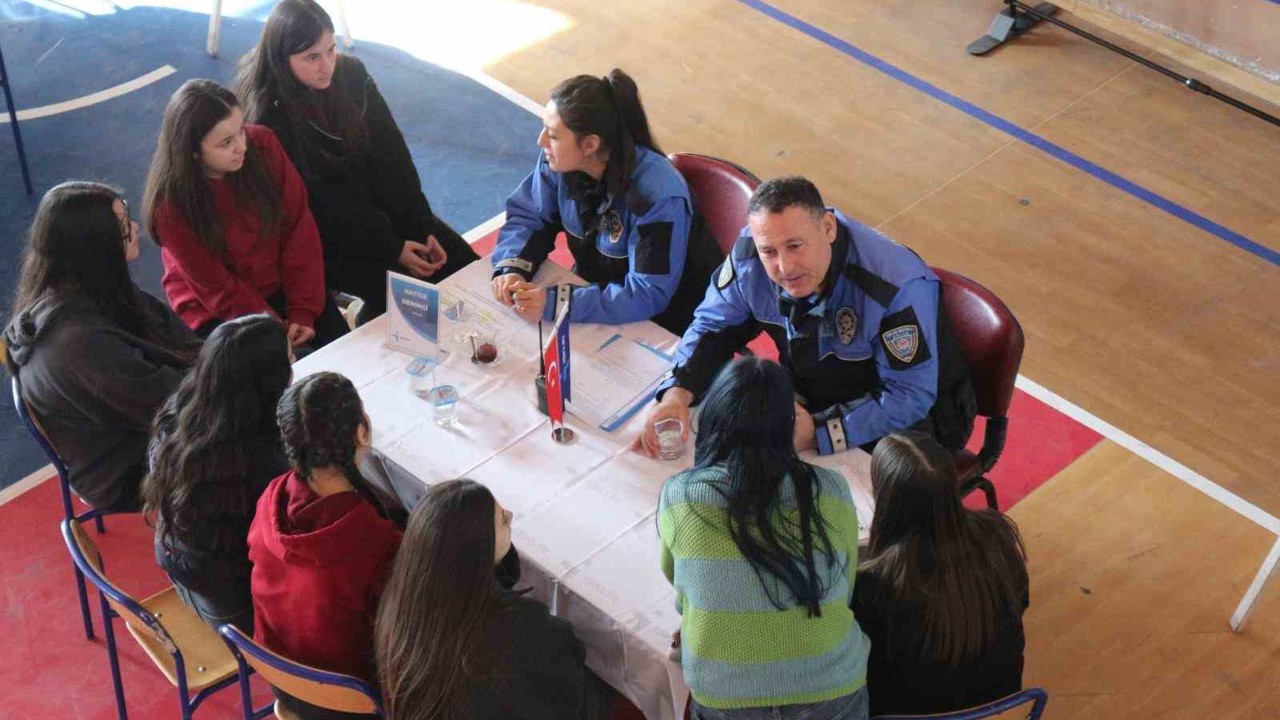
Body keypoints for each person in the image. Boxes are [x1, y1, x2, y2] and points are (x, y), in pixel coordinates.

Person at [637, 175, 974, 458]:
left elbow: (909, 396)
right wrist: (677, 394)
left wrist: (821, 434)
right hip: (814, 392)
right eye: (769, 251)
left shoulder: (893, 285)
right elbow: (713, 327)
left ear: (828, 227)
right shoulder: (749, 259)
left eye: (795, 246)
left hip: (913, 420)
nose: (784, 267)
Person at [235, 0, 478, 323]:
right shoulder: (269, 119)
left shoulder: (351, 74)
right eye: (311, 57)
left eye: (330, 50)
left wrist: (419, 227)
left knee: (467, 269)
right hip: (324, 237)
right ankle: (364, 314)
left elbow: (393, 158)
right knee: (414, 303)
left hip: (378, 212)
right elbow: (321, 205)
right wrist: (393, 248)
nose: (327, 66)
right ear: (282, 59)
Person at [657, 357, 869, 719]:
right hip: (832, 689)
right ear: (787, 426)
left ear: (712, 419)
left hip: (725, 694)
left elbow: (680, 589)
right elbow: (845, 587)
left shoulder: (681, 496)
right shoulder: (831, 490)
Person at [5, 181, 199, 512]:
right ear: (96, 246)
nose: (135, 227)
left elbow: (178, 339)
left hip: (135, 426)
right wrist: (233, 377)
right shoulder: (79, 345)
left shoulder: (85, 289)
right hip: (126, 469)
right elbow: (165, 406)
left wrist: (227, 360)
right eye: (123, 225)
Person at [489, 69, 722, 336]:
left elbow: (647, 294)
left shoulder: (656, 196)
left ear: (589, 145)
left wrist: (559, 302)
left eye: (553, 135)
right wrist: (512, 266)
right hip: (598, 299)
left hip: (669, 322)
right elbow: (530, 216)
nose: (540, 141)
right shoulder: (558, 164)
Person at [142, 79, 346, 348]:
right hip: (215, 305)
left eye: (241, 130)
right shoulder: (170, 207)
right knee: (271, 375)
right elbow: (216, 287)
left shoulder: (263, 144)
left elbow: (298, 228)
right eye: (226, 142)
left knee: (343, 350)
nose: (241, 146)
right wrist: (272, 329)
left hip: (281, 279)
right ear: (192, 151)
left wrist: (303, 309)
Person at [248, 371, 404, 720]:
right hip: (352, 700)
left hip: (282, 676)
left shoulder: (271, 497)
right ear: (361, 432)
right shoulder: (376, 542)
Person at [376, 479, 589, 720]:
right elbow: (571, 670)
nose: (509, 515)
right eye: (501, 520)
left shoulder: (399, 604)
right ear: (479, 550)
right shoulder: (521, 631)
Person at [853, 432, 1029, 716]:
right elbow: (1020, 605)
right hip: (997, 702)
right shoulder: (999, 536)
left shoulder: (871, 584)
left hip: (904, 710)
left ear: (885, 499)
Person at [144, 315, 293, 633]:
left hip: (181, 566)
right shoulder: (262, 466)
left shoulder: (178, 413)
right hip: (237, 613)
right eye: (289, 359)